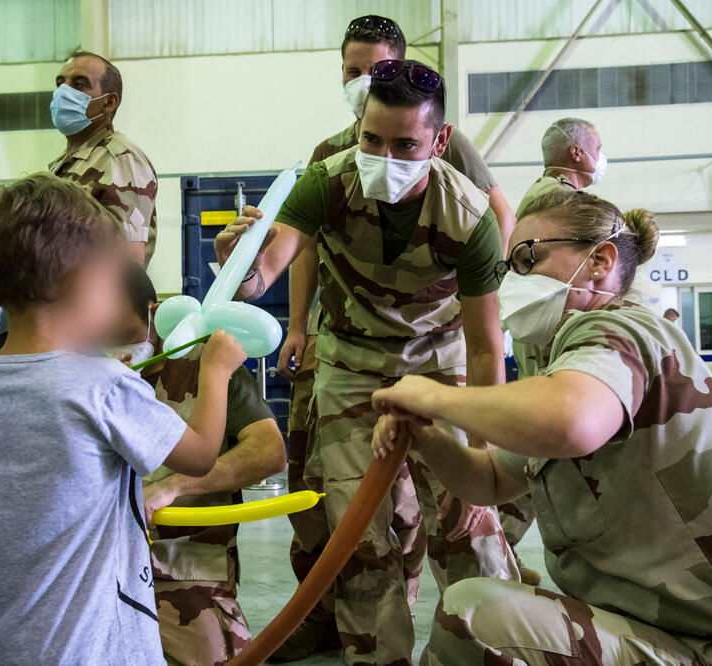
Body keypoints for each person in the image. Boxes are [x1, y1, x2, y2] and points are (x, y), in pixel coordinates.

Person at [371, 188, 712, 665]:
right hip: (665, 629)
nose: (514, 281)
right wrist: (425, 433)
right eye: (510, 267)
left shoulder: (621, 331)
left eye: (528, 258)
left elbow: (571, 422)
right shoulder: (569, 367)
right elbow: (490, 480)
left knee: (476, 612)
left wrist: (434, 395)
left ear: (600, 261)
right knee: (483, 604)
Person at [214, 60, 517, 664]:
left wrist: (483, 449)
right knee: (359, 534)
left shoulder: (470, 217)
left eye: (405, 144)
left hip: (440, 366)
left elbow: (485, 345)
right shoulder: (326, 182)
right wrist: (240, 261)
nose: (384, 155)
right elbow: (262, 275)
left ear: (439, 140)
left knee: (467, 528)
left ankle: (494, 651)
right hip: (353, 365)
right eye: (371, 139)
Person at [0, 172, 247, 665]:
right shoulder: (102, 385)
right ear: (79, 283)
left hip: (9, 641)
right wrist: (215, 370)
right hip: (96, 645)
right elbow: (198, 456)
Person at [113, 264, 286, 664]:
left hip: (184, 564)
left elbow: (269, 451)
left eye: (124, 333)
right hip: (104, 563)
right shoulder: (89, 372)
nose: (114, 345)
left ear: (153, 313)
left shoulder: (207, 365)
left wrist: (173, 487)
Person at [499, 116, 609, 555]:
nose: (602, 158)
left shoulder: (549, 197)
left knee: (544, 452)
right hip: (551, 342)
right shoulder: (558, 201)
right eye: (598, 148)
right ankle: (491, 548)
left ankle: (495, 550)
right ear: (578, 153)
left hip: (547, 338)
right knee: (544, 452)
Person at [49, 50, 158, 266]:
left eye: (79, 85)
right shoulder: (70, 160)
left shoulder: (119, 158)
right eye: (60, 83)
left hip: (101, 297)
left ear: (108, 102)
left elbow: (131, 254)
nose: (63, 92)